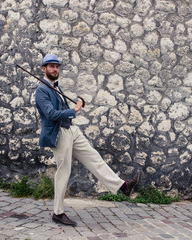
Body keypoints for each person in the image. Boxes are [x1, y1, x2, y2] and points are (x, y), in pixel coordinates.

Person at [35, 54, 140, 227]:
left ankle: (122, 187)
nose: (55, 69)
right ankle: (58, 213)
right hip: (58, 133)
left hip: (71, 130)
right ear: (43, 69)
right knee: (64, 171)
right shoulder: (42, 90)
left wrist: (73, 111)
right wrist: (74, 110)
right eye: (51, 66)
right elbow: (51, 115)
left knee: (94, 158)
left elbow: (61, 110)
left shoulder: (55, 87)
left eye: (57, 66)